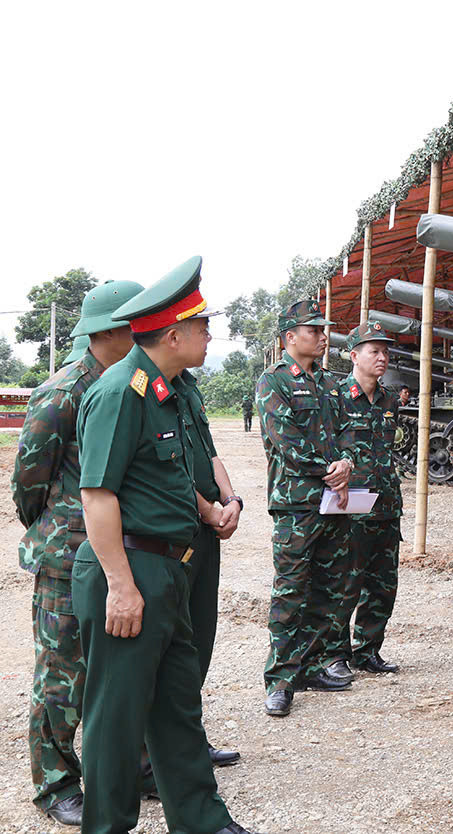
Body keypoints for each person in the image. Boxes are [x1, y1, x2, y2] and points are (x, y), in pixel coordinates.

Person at [74, 256, 258, 834]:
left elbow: (174, 478)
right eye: (202, 326)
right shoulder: (118, 393)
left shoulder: (169, 391)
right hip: (129, 570)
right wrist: (122, 588)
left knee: (178, 705)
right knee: (116, 719)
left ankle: (202, 819)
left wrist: (214, 510)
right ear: (173, 334)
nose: (210, 335)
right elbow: (97, 496)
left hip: (171, 568)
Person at [13, 280, 142, 827]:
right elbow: (28, 478)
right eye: (138, 323)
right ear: (113, 330)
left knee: (122, 667)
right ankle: (56, 781)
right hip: (67, 554)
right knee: (64, 672)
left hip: (121, 547)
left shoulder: (131, 383)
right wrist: (56, 528)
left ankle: (129, 764)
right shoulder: (66, 390)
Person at [256, 298, 354, 717]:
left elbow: (350, 429)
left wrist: (347, 461)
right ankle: (280, 679)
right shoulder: (273, 381)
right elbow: (285, 440)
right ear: (289, 337)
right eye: (313, 330)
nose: (321, 336)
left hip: (333, 502)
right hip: (296, 504)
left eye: (322, 329)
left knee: (328, 588)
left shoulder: (331, 383)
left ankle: (313, 664)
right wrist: (328, 469)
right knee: (291, 591)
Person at [174, 363, 245, 767]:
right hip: (176, 532)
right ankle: (155, 755)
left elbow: (208, 452)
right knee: (174, 644)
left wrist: (231, 500)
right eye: (199, 327)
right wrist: (206, 509)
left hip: (204, 531)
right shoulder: (146, 386)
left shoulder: (188, 386)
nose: (207, 336)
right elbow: (164, 465)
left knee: (201, 638)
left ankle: (187, 740)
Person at [336, 321, 403, 674]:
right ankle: (335, 655)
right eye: (374, 351)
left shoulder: (390, 400)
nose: (383, 357)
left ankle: (368, 651)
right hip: (351, 508)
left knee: (382, 585)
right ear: (354, 356)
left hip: (386, 504)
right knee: (345, 583)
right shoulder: (335, 399)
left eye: (385, 351)